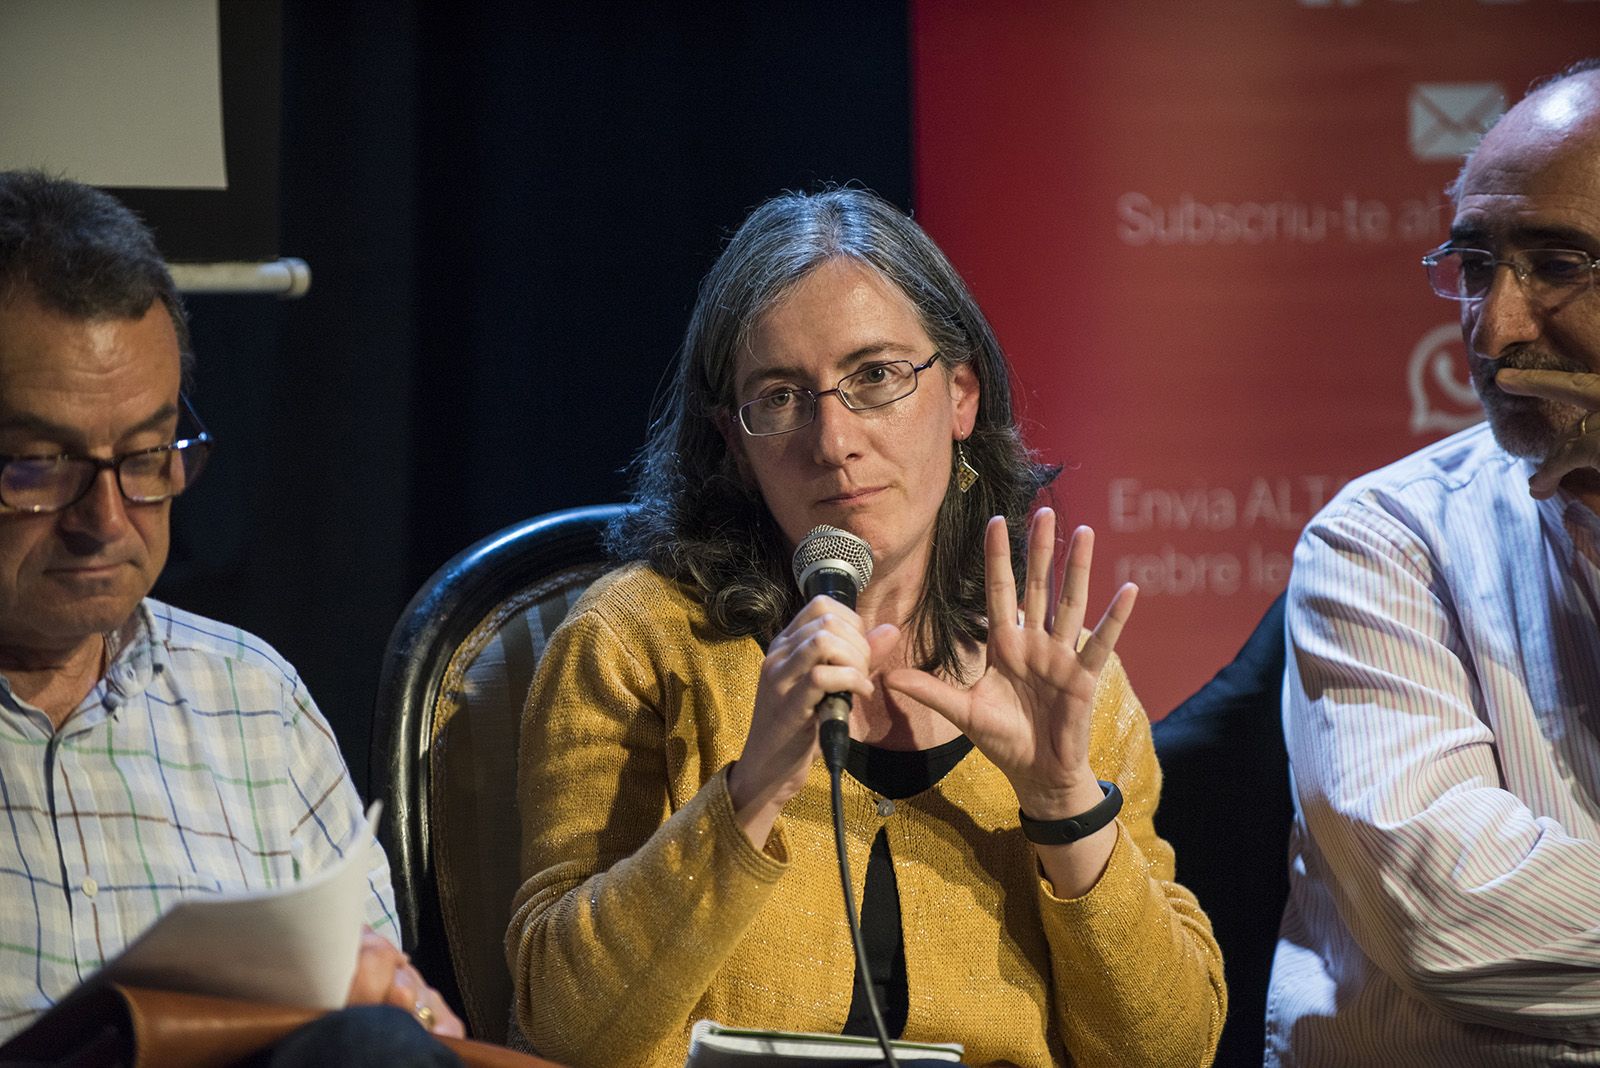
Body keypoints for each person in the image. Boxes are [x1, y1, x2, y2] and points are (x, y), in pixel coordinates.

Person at [506, 187, 1225, 1067]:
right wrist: (753, 787)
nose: (832, 439)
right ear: (734, 442)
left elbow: (1174, 1050)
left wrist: (1063, 804)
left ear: (960, 396)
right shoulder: (636, 646)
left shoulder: (1057, 678)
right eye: (780, 396)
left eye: (876, 377)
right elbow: (561, 1028)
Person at [0, 170, 464, 1058]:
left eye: (146, 455)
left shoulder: (254, 700)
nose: (104, 521)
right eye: (40, 466)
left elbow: (391, 1018)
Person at [1267, 59, 1600, 1066]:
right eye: (1473, 265)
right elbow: (1452, 913)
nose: (1492, 330)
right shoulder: (1380, 542)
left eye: (1554, 264)